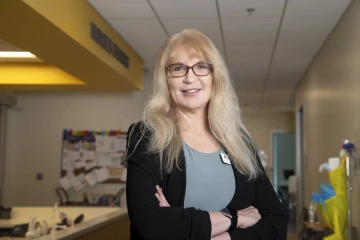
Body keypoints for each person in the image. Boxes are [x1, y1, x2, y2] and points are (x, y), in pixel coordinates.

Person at [125, 29, 287, 240]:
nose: (190, 78)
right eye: (178, 68)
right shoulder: (147, 137)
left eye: (201, 66)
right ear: (166, 79)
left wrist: (204, 232)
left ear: (215, 76)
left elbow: (276, 224)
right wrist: (235, 219)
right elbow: (151, 225)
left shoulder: (240, 143)